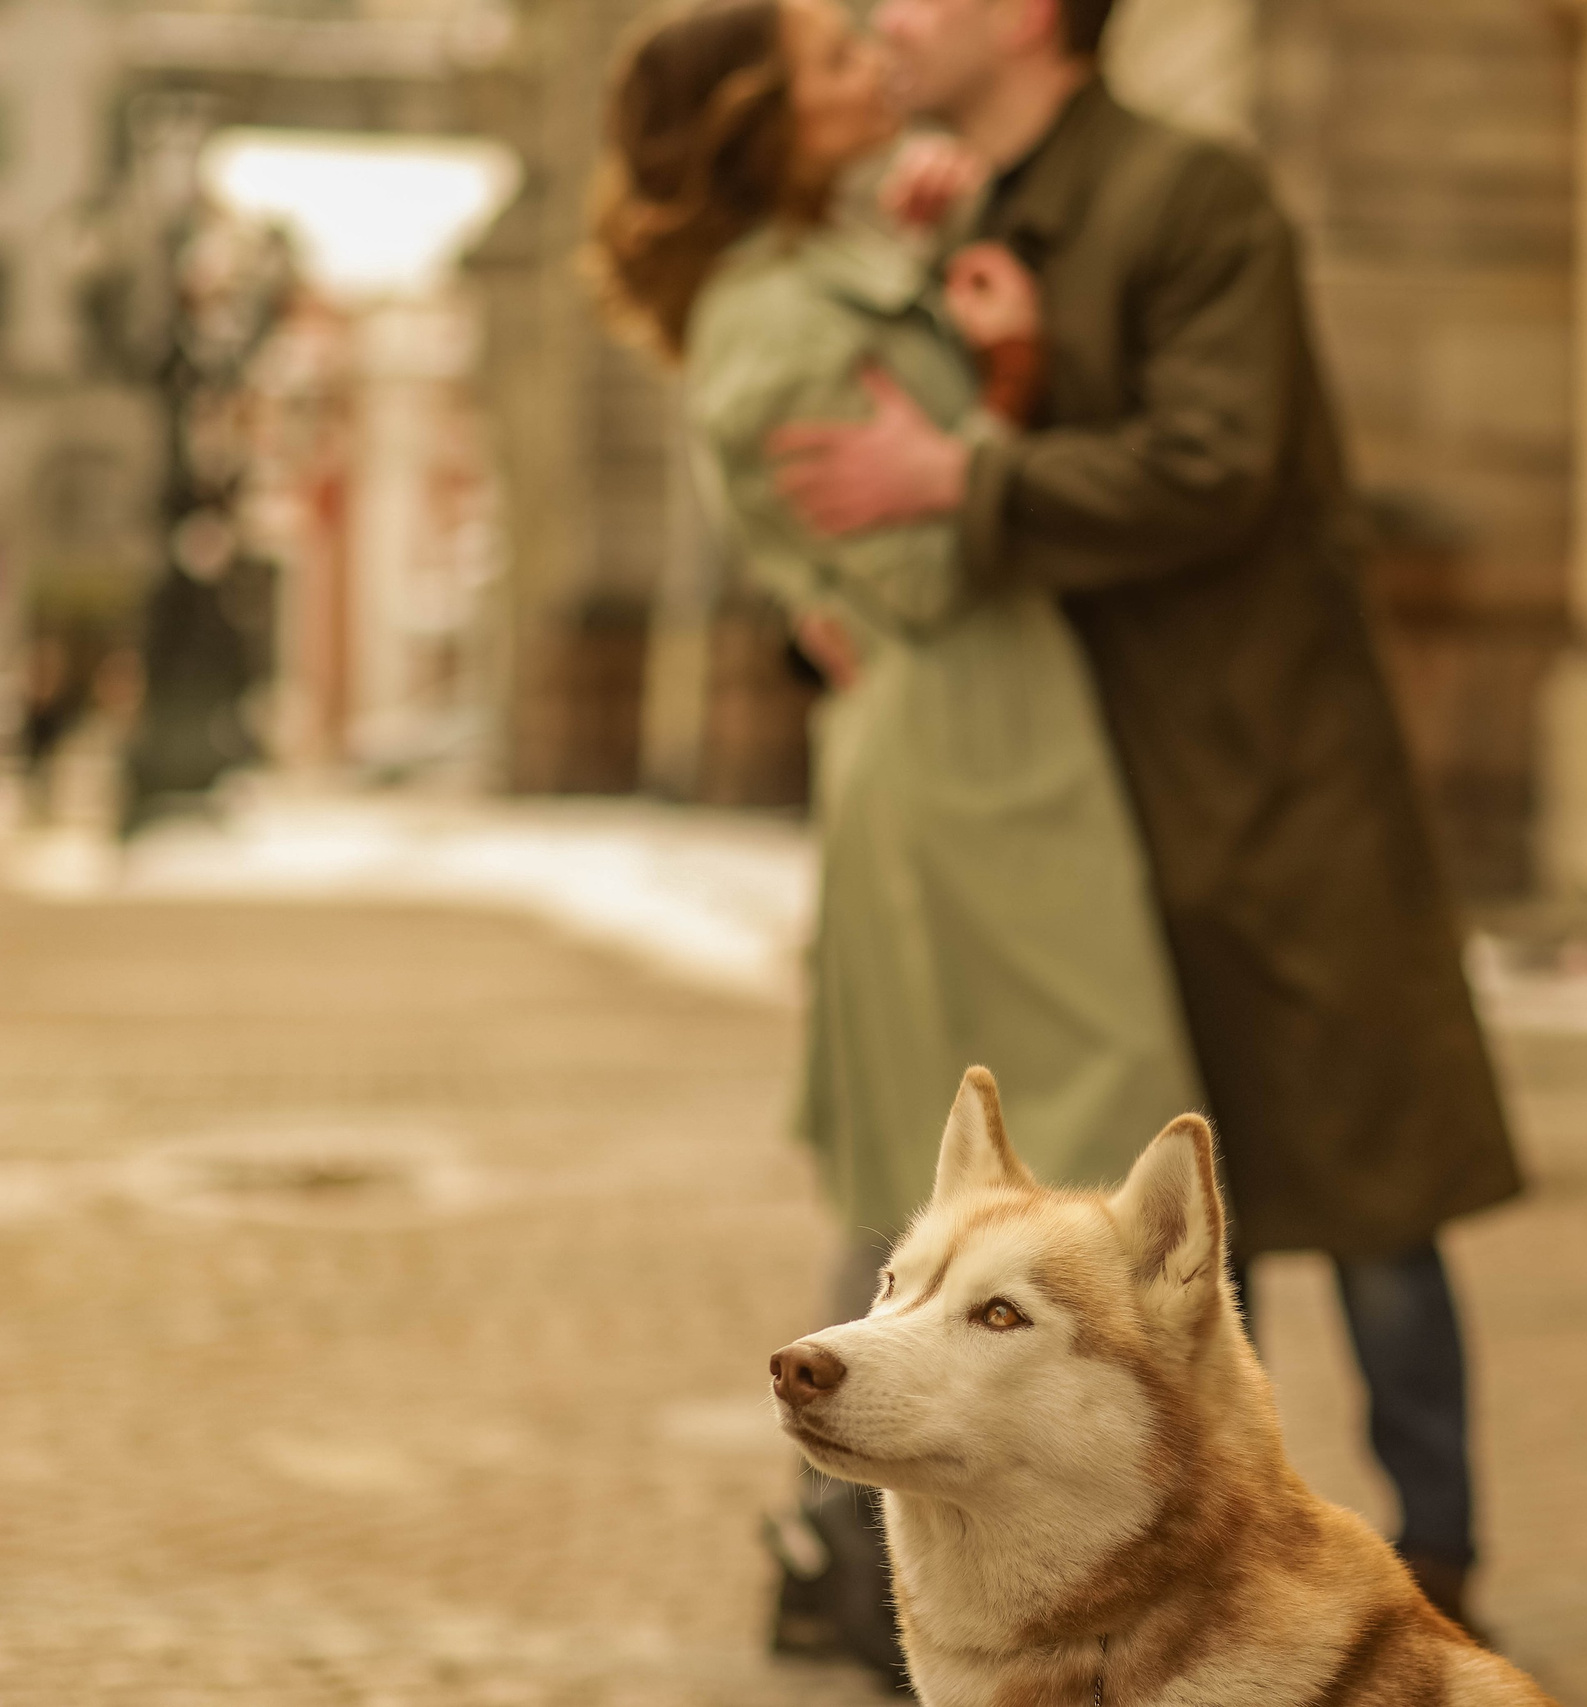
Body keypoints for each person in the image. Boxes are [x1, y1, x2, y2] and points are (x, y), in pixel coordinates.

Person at [761, 0, 1526, 1629]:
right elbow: (839, 445)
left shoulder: (1193, 197)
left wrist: (963, 481)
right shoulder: (953, 207)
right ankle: (1086, 1580)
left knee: (1364, 1182)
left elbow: (1219, 460)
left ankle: (1440, 1569)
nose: (884, 21)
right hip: (1058, 796)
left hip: (1260, 770)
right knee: (1065, 1223)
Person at [585, 0, 1204, 1687]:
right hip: (971, 768)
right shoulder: (775, 320)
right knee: (1095, 1188)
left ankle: (880, 1576)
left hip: (979, 749)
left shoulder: (838, 260)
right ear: (752, 129)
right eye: (827, 63)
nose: (872, 61)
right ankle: (1054, 1594)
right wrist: (999, 389)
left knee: (961, 1175)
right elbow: (923, 570)